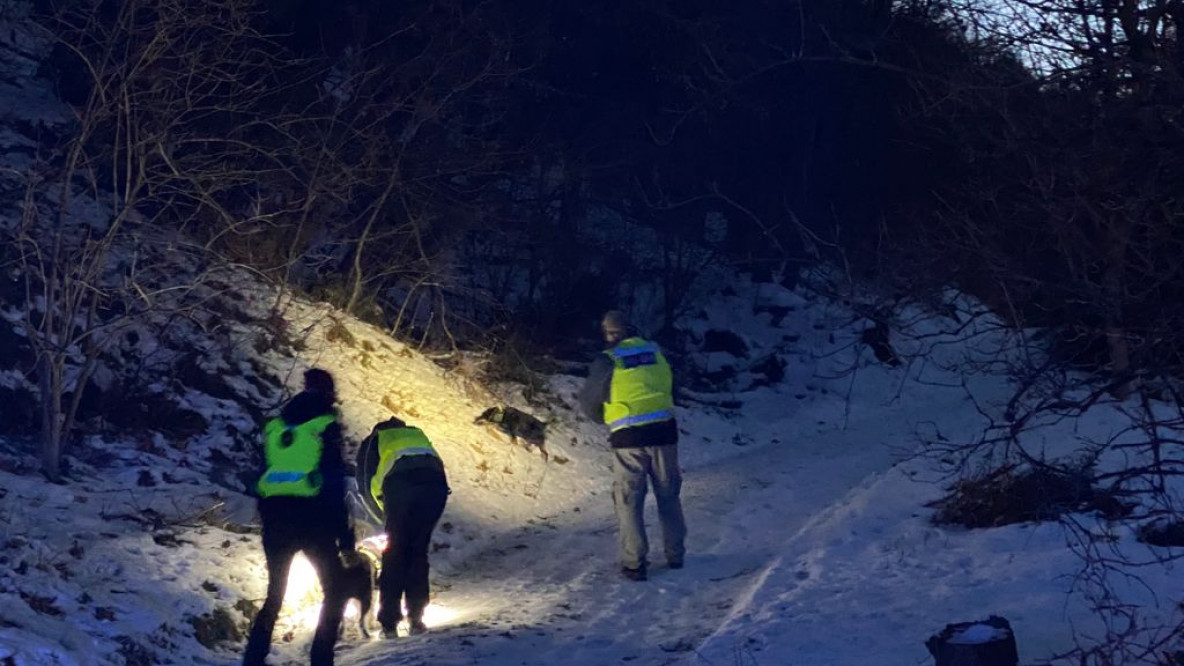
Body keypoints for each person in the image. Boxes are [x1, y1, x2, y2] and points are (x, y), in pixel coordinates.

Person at [243, 368, 354, 666]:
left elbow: (262, 472)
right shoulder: (325, 424)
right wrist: (345, 535)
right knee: (336, 589)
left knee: (275, 594)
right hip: (314, 519)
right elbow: (333, 481)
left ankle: (253, 659)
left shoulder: (276, 426)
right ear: (330, 393)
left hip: (276, 519)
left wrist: (267, 514)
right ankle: (321, 658)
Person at [579, 310, 687, 581]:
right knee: (668, 494)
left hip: (628, 438)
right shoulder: (655, 351)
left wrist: (605, 418)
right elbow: (672, 386)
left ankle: (634, 562)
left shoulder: (608, 360)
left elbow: (590, 401)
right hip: (664, 432)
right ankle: (675, 554)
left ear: (608, 334)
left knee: (629, 500)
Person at [356, 416, 449, 637]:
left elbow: (365, 483)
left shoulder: (375, 440)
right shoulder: (416, 434)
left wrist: (382, 519)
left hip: (401, 489)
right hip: (436, 488)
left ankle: (389, 623)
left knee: (394, 553)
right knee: (417, 551)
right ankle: (416, 619)